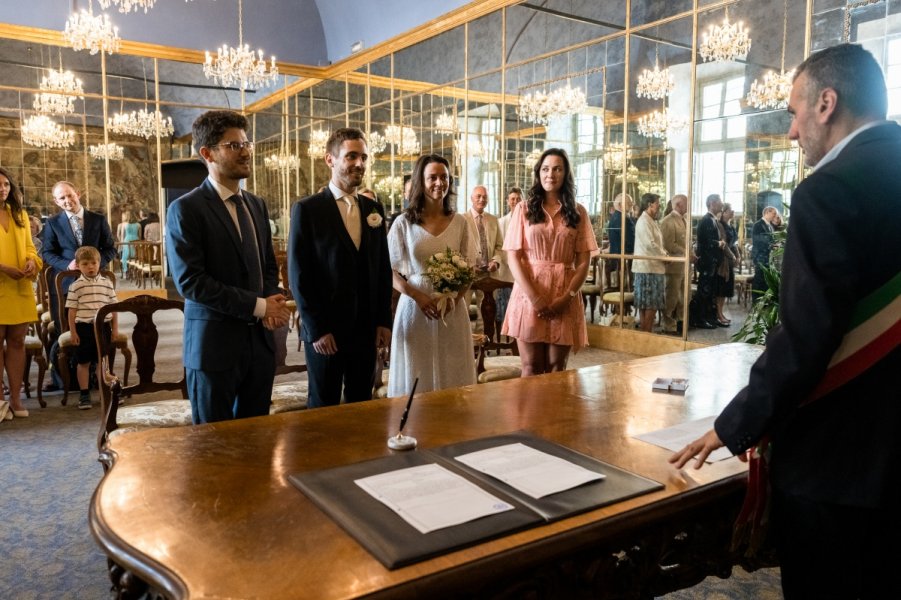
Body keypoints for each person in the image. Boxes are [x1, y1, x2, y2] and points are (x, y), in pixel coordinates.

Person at [669, 44, 901, 599]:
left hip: (841, 467)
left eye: (795, 113)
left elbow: (805, 339)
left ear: (827, 103)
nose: (792, 133)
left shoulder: (828, 191)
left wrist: (731, 427)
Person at [166, 110, 290, 424]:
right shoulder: (185, 209)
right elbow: (192, 282)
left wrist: (271, 299)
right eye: (234, 145)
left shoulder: (256, 204)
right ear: (207, 153)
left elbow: (266, 265)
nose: (246, 151)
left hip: (260, 346)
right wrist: (260, 306)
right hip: (214, 347)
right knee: (214, 448)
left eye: (247, 143)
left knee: (255, 441)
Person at [288, 127, 393, 407]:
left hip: (366, 328)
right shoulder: (308, 210)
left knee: (361, 402)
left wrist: (384, 319)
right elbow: (299, 276)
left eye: (364, 157)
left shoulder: (373, 210)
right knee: (324, 404)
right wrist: (317, 329)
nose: (360, 164)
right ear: (330, 159)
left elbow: (382, 268)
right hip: (327, 332)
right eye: (351, 156)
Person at [386, 154, 477, 396]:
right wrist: (418, 296)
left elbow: (469, 269)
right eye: (432, 177)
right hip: (415, 307)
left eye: (444, 177)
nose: (439, 183)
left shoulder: (461, 222)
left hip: (452, 309)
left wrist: (454, 300)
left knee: (452, 367)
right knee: (418, 369)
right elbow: (389, 271)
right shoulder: (404, 222)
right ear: (420, 181)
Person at [502, 148, 598, 376]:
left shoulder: (578, 212)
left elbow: (584, 262)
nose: (550, 174)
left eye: (557, 169)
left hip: (564, 294)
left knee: (557, 368)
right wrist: (535, 297)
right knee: (531, 366)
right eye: (545, 169)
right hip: (528, 293)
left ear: (565, 174)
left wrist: (567, 297)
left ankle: (555, 413)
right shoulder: (523, 209)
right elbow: (513, 256)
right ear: (538, 173)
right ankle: (527, 413)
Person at [41, 181, 117, 333]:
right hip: (65, 283)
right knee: (64, 330)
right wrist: (67, 265)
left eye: (70, 195)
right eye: (62, 198)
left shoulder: (98, 219)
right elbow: (47, 253)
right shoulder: (52, 223)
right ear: (56, 201)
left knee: (98, 328)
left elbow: (110, 249)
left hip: (96, 284)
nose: (67, 200)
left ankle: (97, 356)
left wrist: (95, 264)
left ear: (78, 194)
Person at [0, 167, 42, 419]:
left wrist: (30, 261)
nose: (2, 188)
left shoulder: (20, 215)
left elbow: (30, 248)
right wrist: (3, 267)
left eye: (5, 184)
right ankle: (0, 400)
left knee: (17, 342)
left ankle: (15, 398)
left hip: (20, 286)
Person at [65, 246, 117, 410]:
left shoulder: (107, 283)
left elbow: (114, 309)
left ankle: (104, 392)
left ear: (99, 263)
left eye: (93, 263)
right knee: (84, 361)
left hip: (103, 327)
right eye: (85, 264)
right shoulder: (76, 286)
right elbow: (71, 312)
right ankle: (84, 393)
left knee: (103, 361)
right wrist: (73, 332)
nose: (90, 267)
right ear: (78, 266)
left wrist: (115, 329)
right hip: (84, 328)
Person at [689, 193, 724, 329]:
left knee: (710, 293)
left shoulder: (712, 219)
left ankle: (710, 318)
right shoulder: (707, 220)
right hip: (707, 263)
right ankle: (700, 319)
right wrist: (719, 243)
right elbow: (706, 242)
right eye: (719, 202)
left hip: (712, 263)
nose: (721, 204)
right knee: (704, 292)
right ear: (712, 203)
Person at [631, 193, 666, 333]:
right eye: (657, 203)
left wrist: (664, 254)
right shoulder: (644, 221)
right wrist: (665, 256)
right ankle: (646, 333)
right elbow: (650, 245)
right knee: (649, 303)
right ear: (649, 204)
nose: (659, 206)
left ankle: (646, 333)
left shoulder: (650, 221)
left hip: (652, 267)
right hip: (648, 268)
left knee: (649, 303)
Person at [660, 194, 688, 334]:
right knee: (671, 297)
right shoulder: (667, 221)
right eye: (686, 203)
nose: (688, 206)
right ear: (678, 205)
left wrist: (691, 253)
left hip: (684, 265)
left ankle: (680, 323)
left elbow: (687, 241)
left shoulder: (684, 220)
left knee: (683, 296)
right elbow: (669, 244)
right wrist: (686, 252)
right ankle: (668, 324)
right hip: (673, 265)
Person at [462, 185, 503, 276]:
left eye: (485, 197)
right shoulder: (462, 220)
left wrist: (495, 261)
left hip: (491, 275)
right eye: (478, 196)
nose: (482, 199)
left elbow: (499, 246)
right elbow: (458, 248)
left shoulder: (494, 220)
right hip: (469, 274)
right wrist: (469, 266)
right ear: (471, 198)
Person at [495, 187, 522, 324]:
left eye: (518, 199)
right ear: (507, 201)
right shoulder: (501, 222)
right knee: (504, 301)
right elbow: (499, 246)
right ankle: (505, 328)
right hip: (506, 268)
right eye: (512, 199)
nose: (515, 202)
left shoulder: (528, 220)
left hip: (522, 268)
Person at [714, 202, 738, 325]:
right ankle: (718, 314)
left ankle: (721, 313)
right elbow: (724, 244)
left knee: (726, 289)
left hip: (730, 261)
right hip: (723, 261)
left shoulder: (732, 227)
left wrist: (737, 256)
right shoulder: (720, 225)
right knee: (721, 290)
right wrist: (732, 256)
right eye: (730, 210)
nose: (733, 212)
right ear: (724, 213)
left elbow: (734, 244)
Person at [605, 192, 634, 290]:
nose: (631, 205)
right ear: (620, 205)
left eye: (631, 203)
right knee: (623, 287)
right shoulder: (621, 218)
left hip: (619, 255)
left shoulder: (618, 216)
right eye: (628, 203)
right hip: (623, 256)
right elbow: (628, 239)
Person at [750, 206, 779, 301]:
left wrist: (776, 244)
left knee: (766, 280)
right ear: (767, 212)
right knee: (759, 279)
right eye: (773, 213)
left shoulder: (770, 226)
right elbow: (758, 240)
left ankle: (764, 302)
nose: (775, 216)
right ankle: (756, 301)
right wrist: (772, 245)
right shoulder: (758, 225)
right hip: (760, 257)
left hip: (767, 257)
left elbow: (771, 239)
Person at [116, 210, 141, 278]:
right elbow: (140, 235)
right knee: (136, 256)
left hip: (126, 240)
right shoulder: (138, 225)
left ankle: (126, 271)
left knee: (125, 257)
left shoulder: (125, 224)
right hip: (136, 240)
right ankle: (135, 271)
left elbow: (121, 235)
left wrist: (122, 242)